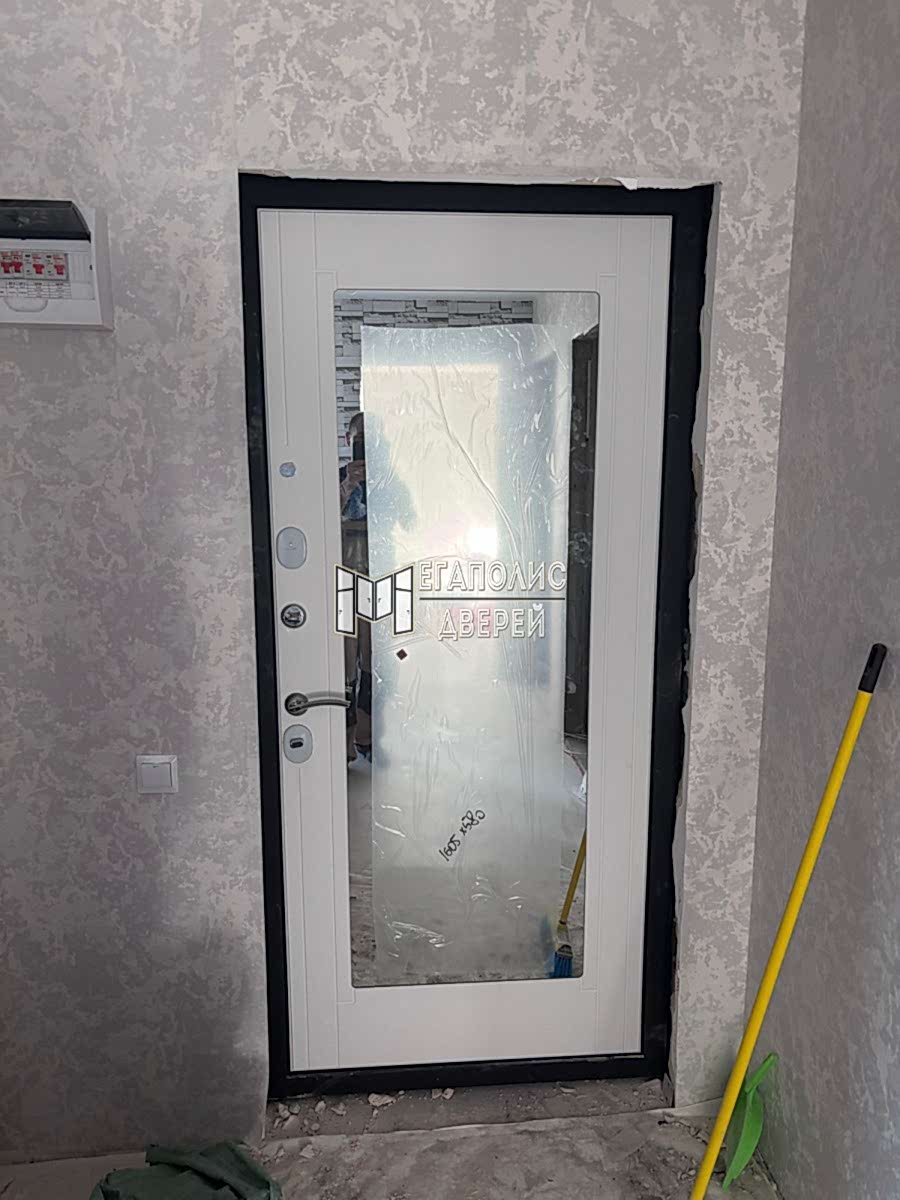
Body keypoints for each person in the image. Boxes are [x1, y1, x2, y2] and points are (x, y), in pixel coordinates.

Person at [339, 412, 371, 762]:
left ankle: (369, 736)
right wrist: (348, 484)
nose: (364, 445)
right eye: (360, 439)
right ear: (349, 441)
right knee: (345, 665)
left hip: (383, 577)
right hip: (344, 579)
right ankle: (345, 743)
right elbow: (318, 522)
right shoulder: (336, 479)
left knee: (378, 663)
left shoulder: (392, 482)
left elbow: (412, 523)